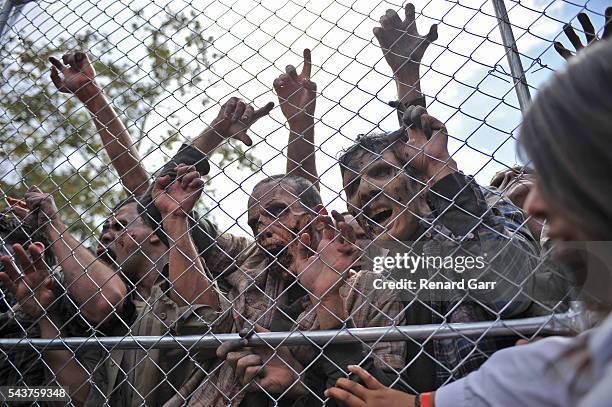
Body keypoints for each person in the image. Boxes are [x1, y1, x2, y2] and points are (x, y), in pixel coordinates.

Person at [324, 34, 612, 407]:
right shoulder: (376, 270)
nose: (363, 192)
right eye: (352, 188)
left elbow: (520, 294)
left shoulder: (480, 207)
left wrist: (440, 169)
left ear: (418, 181)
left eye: (380, 172)